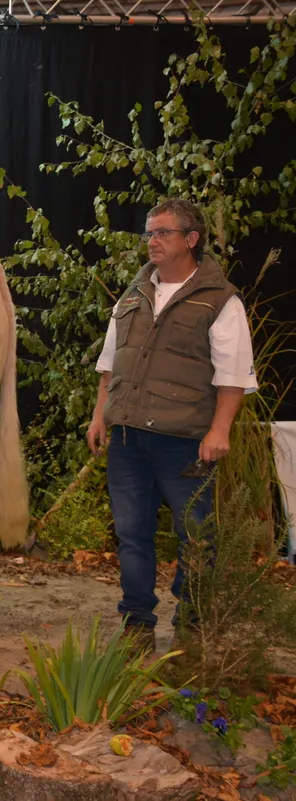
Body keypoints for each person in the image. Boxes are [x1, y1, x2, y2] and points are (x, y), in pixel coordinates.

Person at [86, 197, 257, 654]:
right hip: (125, 436)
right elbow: (110, 363)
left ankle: (193, 622)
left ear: (191, 239)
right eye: (148, 233)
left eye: (162, 232)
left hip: (184, 442)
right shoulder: (133, 294)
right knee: (131, 533)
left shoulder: (220, 301)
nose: (152, 241)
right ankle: (137, 622)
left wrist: (219, 431)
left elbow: (234, 375)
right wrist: (99, 413)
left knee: (197, 535)